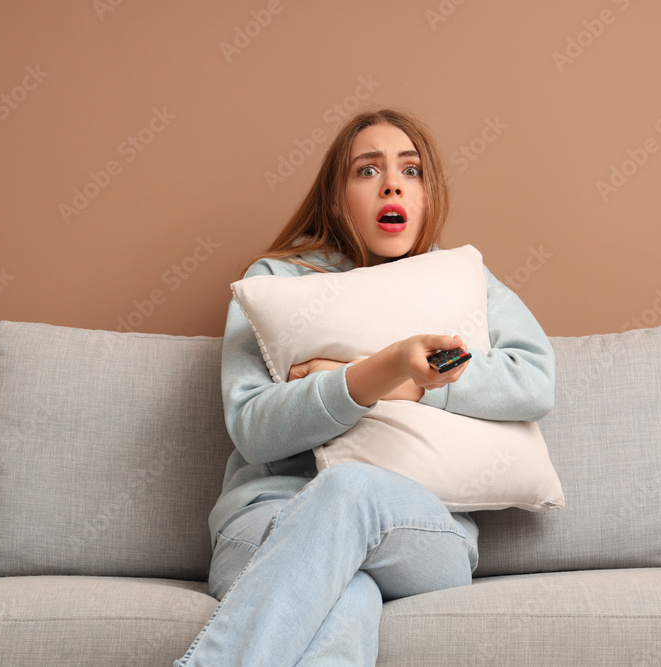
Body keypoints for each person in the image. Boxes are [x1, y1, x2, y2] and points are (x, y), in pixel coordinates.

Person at [175, 108, 554, 666]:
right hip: (269, 519)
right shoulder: (276, 281)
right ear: (337, 194)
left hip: (420, 531)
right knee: (347, 598)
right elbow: (254, 430)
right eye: (368, 170)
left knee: (351, 488)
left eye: (412, 171)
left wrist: (407, 382)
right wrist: (373, 373)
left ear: (428, 194)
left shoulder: (462, 282)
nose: (394, 183)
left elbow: (534, 379)